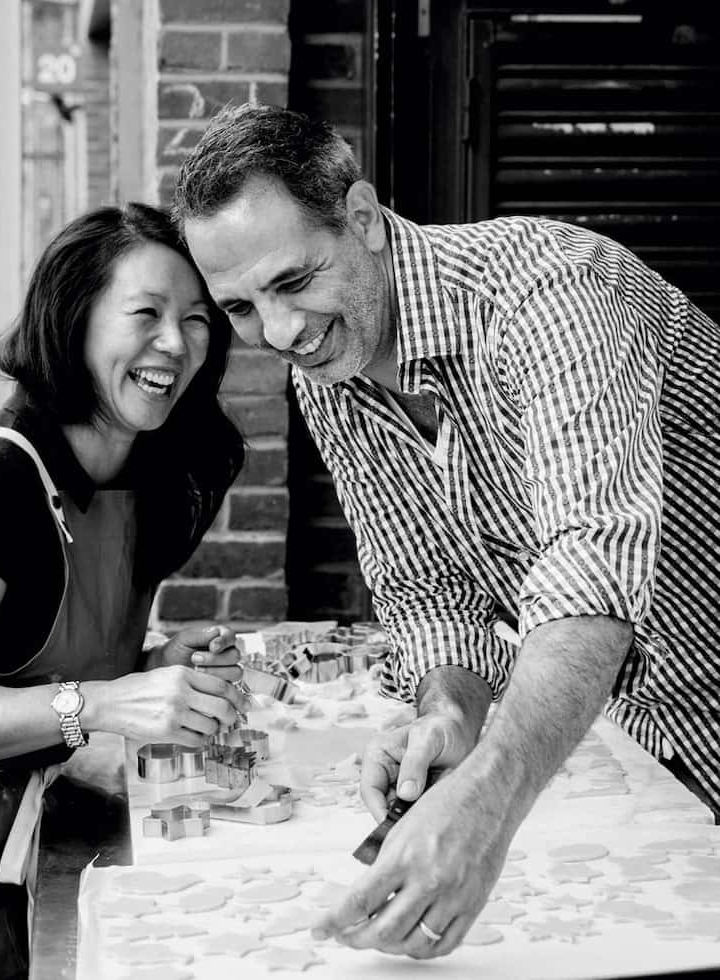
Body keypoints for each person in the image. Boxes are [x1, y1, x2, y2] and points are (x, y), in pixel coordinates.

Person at [173, 102, 720, 959]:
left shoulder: (550, 291)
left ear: (362, 218)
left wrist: (488, 799)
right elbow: (428, 588)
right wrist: (451, 713)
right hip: (655, 732)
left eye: (291, 282)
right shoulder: (331, 370)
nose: (279, 333)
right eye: (239, 309)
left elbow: (594, 558)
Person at [0, 202, 250, 979]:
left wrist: (154, 664)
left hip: (44, 844)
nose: (176, 343)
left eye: (197, 320)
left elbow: (26, 661)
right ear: (74, 319)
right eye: (145, 312)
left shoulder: (143, 477)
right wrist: (103, 704)